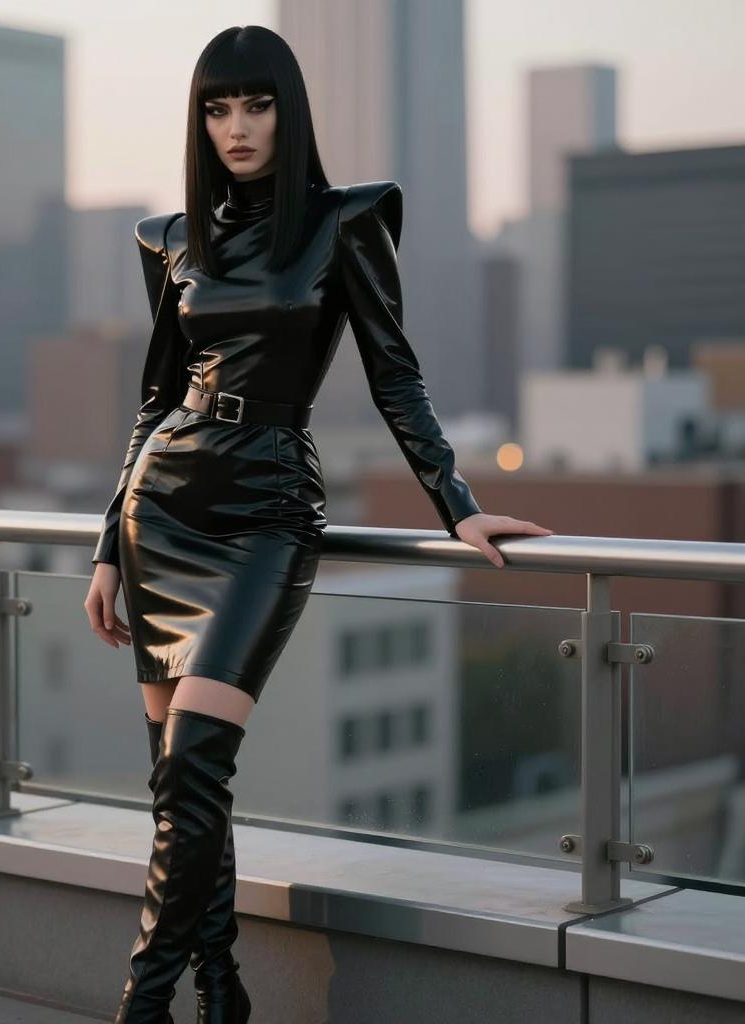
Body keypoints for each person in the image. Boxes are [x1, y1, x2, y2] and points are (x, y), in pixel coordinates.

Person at [84, 24, 553, 1024]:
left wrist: (456, 503)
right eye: (217, 108)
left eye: (256, 105)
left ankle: (141, 1003)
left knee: (198, 757)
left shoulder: (345, 223)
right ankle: (223, 989)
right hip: (162, 510)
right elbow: (152, 396)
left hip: (267, 511)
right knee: (185, 786)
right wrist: (103, 547)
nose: (237, 126)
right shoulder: (169, 240)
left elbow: (396, 373)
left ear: (289, 113)